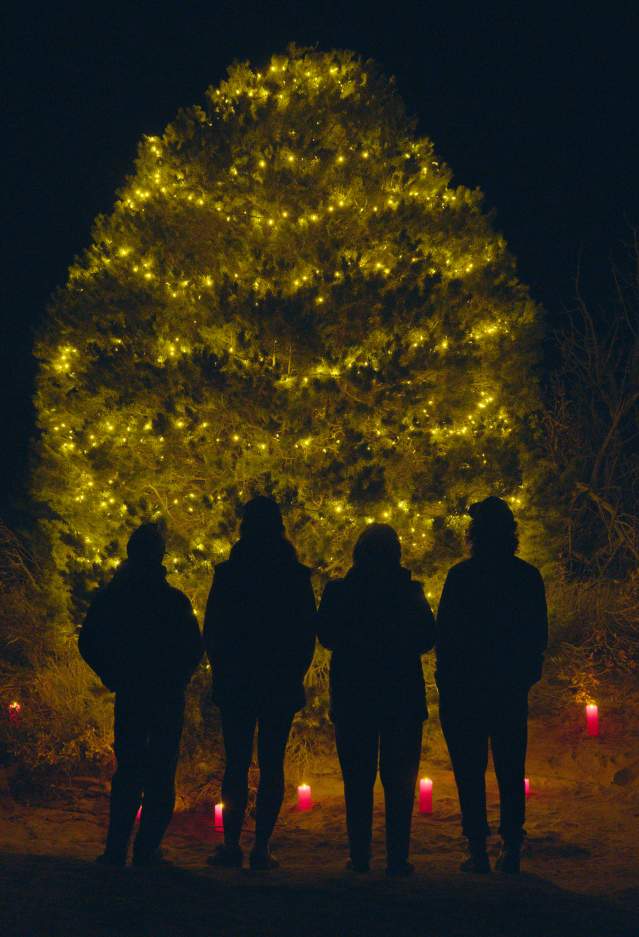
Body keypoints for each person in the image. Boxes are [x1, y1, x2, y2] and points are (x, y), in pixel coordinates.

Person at [78, 522, 203, 867]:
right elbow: (194, 647)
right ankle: (146, 849)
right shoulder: (172, 600)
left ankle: (117, 849)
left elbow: (88, 641)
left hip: (133, 693)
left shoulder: (114, 598)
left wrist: (113, 674)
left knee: (130, 769)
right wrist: (178, 677)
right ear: (159, 557)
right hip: (164, 695)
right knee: (161, 772)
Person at [436, 496, 548, 874]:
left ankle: (478, 848)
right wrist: (523, 677)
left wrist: (447, 681)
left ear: (474, 535)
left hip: (467, 688)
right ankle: (511, 846)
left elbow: (446, 635)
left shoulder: (462, 577)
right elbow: (536, 637)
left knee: (470, 769)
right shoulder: (526, 577)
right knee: (510, 768)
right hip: (507, 688)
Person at [204, 496, 316, 870]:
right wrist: (292, 674)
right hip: (278, 682)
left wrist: (222, 671)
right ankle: (261, 847)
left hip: (238, 681)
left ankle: (232, 844)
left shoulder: (231, 574)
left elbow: (214, 630)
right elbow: (305, 634)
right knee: (272, 763)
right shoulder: (294, 576)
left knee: (236, 762)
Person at [317, 524, 436, 877]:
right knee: (399, 781)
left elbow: (326, 635)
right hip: (401, 697)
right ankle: (397, 858)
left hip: (355, 696)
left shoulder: (340, 592)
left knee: (357, 779)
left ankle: (360, 856)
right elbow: (427, 637)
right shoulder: (409, 592)